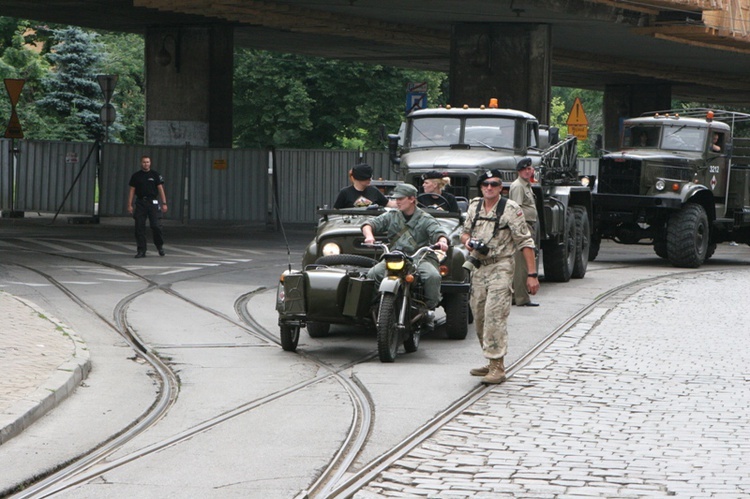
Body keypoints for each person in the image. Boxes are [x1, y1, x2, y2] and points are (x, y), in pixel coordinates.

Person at [461, 169, 539, 384]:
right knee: (479, 316)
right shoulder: (475, 205)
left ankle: (497, 366)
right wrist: (467, 241)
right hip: (479, 266)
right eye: (485, 184)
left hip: (501, 266)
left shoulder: (510, 209)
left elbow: (525, 241)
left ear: (500, 188)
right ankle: (489, 359)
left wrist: (531, 275)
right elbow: (465, 231)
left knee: (495, 315)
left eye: (494, 184)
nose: (489, 188)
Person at [361, 183, 449, 311]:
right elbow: (369, 224)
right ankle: (374, 306)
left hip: (419, 258)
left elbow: (438, 232)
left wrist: (442, 242)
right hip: (395, 257)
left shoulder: (425, 219)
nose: (397, 202)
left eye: (400, 199)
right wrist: (369, 236)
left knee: (432, 276)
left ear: (412, 199)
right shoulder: (392, 216)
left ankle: (428, 307)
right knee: (372, 274)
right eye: (396, 199)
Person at [508, 157, 539, 307]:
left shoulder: (526, 185)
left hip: (527, 225)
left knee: (521, 263)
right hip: (523, 227)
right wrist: (521, 230)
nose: (528, 171)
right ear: (519, 171)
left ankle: (516, 296)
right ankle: (522, 298)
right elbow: (516, 209)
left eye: (529, 169)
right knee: (522, 264)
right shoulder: (518, 186)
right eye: (525, 169)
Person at [127, 155, 167, 258]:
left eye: (148, 162)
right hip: (140, 203)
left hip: (152, 202)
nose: (146, 164)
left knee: (156, 226)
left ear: (150, 163)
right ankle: (141, 250)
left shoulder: (155, 175)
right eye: (144, 162)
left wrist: (164, 203)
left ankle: (159, 246)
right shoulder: (136, 176)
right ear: (141, 163)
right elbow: (132, 190)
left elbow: (160, 189)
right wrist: (129, 204)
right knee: (139, 227)